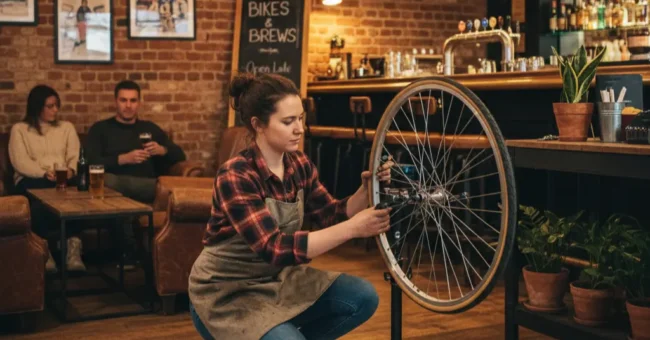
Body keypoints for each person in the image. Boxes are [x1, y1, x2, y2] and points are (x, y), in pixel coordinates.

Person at [188, 73, 393, 340]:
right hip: (227, 293)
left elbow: (331, 215)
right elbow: (275, 248)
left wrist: (365, 190)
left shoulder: (299, 164)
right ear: (258, 125)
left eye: (300, 118)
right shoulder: (236, 175)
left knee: (362, 297)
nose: (299, 128)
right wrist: (353, 229)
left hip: (278, 281)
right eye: (288, 121)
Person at [85, 80, 186, 268]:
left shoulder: (149, 129)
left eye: (133, 100)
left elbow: (180, 155)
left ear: (139, 103)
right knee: (109, 183)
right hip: (113, 188)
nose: (128, 105)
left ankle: (129, 253)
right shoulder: (101, 129)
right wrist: (122, 159)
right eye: (123, 100)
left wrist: (162, 150)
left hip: (148, 187)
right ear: (115, 101)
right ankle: (130, 253)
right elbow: (90, 162)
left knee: (113, 185)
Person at [8, 85, 85, 273]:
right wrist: (43, 173)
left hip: (61, 177)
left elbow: (74, 155)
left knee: (79, 198)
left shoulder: (66, 128)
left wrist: (70, 171)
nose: (55, 110)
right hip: (32, 179)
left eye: (56, 105)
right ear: (37, 107)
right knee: (38, 203)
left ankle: (73, 250)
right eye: (50, 106)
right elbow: (20, 163)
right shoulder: (20, 129)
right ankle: (44, 252)